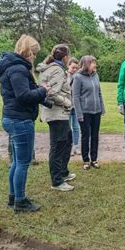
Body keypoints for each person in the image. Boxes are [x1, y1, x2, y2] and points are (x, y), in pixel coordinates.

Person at [0, 34, 50, 213]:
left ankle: (13, 196)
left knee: (17, 161)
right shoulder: (18, 69)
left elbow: (26, 91)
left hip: (12, 117)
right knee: (23, 162)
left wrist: (45, 98)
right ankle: (20, 200)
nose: (35, 57)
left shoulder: (11, 66)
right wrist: (43, 90)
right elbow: (24, 96)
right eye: (34, 53)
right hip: (20, 120)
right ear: (28, 51)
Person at [37, 44, 76, 192]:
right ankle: (57, 180)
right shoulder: (57, 70)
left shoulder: (49, 68)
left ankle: (63, 172)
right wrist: (67, 102)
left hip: (57, 114)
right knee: (58, 146)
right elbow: (51, 92)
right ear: (65, 57)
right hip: (57, 114)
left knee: (67, 140)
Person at [72, 55, 105, 170]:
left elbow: (99, 92)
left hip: (96, 111)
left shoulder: (96, 75)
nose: (95, 65)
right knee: (86, 136)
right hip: (85, 112)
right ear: (86, 64)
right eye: (92, 63)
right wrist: (79, 114)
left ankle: (94, 159)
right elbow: (75, 97)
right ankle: (86, 160)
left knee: (95, 136)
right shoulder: (78, 77)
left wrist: (102, 108)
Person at [67, 57, 80, 156]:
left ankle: (76, 147)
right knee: (68, 128)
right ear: (68, 66)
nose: (74, 69)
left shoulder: (78, 77)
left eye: (76, 68)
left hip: (76, 106)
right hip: (67, 105)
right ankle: (69, 147)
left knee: (76, 127)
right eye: (73, 67)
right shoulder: (63, 75)